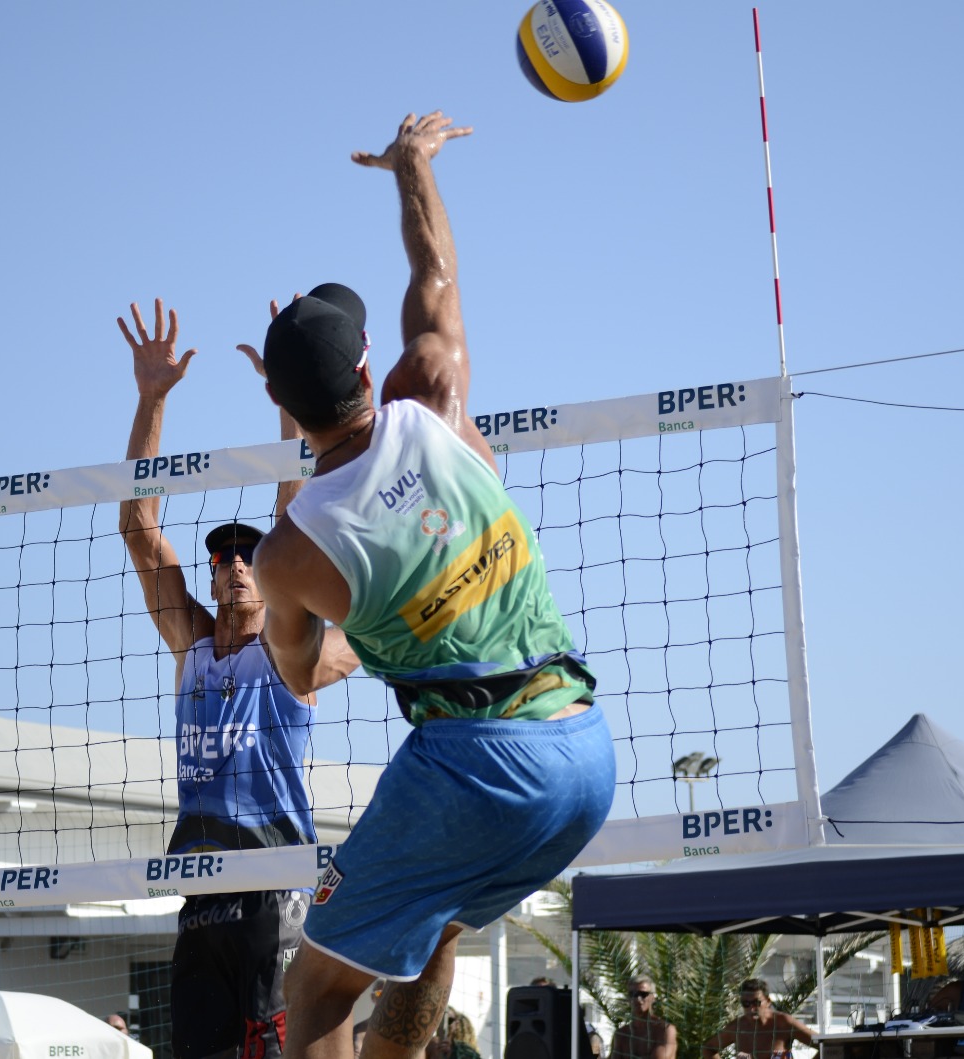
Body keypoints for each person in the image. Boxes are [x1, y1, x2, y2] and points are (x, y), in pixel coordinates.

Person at [254, 110, 615, 1059]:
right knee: (434, 925)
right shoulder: (437, 394)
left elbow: (295, 674)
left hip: (480, 766)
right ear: (370, 365)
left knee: (317, 976)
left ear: (277, 404)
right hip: (583, 751)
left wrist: (366, 635)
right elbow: (434, 276)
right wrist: (413, 166)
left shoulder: (289, 553)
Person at [117, 297, 359, 1059]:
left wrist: (287, 406)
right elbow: (137, 523)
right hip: (202, 894)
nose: (234, 565)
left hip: (276, 886)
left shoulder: (288, 646)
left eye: (247, 556)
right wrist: (151, 399)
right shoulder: (192, 642)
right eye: (222, 557)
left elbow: (294, 512)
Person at [700, 979, 813, 1059]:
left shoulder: (784, 1023)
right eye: (746, 1003)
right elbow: (708, 1048)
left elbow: (825, 1045)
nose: (751, 1008)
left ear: (768, 1001)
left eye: (756, 1003)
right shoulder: (737, 1028)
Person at [610, 978, 676, 1059]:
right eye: (633, 994)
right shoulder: (622, 1034)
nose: (638, 999)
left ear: (653, 997)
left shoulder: (664, 1030)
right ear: (628, 999)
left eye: (643, 994)